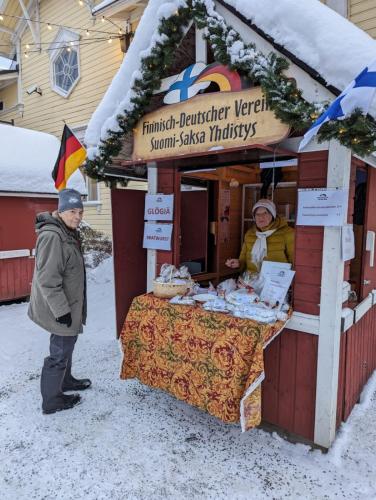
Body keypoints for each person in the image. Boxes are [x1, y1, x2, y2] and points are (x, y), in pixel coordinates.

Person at [28, 188, 91, 414]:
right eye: (72, 211)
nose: (77, 217)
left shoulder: (67, 232)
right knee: (59, 351)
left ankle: (66, 381)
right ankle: (52, 400)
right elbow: (47, 280)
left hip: (68, 304)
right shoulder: (52, 237)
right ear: (61, 211)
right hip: (60, 307)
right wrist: (62, 311)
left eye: (80, 212)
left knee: (67, 345)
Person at [225, 198, 294, 273]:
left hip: (275, 282)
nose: (261, 217)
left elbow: (295, 262)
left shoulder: (287, 233)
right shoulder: (250, 234)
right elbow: (243, 260)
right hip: (252, 281)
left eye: (265, 213)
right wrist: (238, 263)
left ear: (273, 215)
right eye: (257, 214)